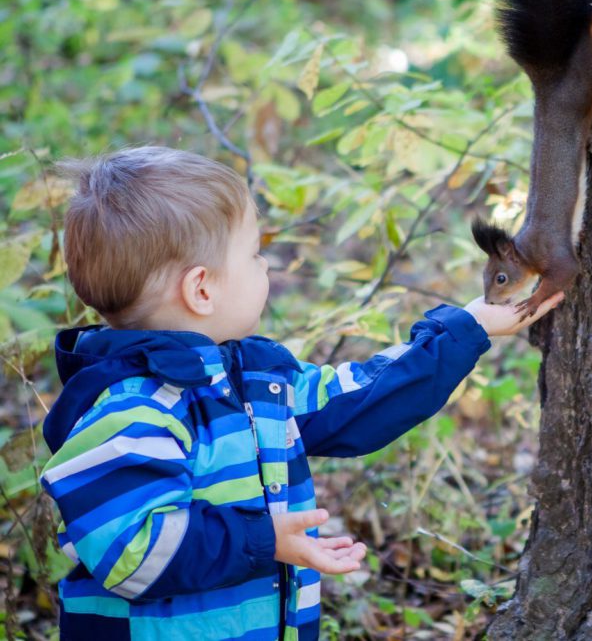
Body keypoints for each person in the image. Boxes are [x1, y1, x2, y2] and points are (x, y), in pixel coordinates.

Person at [39, 146, 563, 640]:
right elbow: (128, 550)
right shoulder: (131, 408)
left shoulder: (255, 382)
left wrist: (468, 326)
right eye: (254, 255)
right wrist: (265, 540)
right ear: (202, 290)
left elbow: (360, 399)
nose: (265, 267)